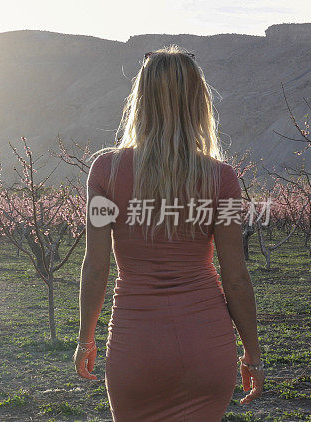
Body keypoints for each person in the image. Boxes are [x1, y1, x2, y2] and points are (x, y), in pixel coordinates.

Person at [72, 45, 265, 421]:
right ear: (198, 102)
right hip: (206, 345)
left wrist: (85, 339)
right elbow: (236, 278)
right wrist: (253, 355)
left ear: (140, 100)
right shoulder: (221, 178)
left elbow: (96, 267)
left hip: (135, 344)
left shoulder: (105, 172)